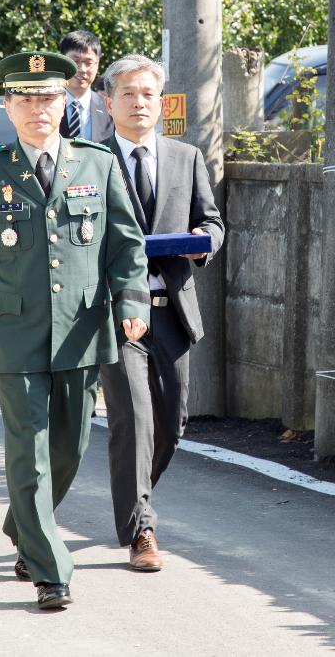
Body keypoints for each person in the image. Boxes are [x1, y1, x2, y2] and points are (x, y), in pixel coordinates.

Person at [0, 50, 149, 609]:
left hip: (82, 327)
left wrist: (133, 302)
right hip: (14, 332)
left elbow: (126, 245)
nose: (39, 110)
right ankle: (50, 568)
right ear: (9, 108)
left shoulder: (97, 163)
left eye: (49, 99)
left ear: (66, 102)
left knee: (69, 447)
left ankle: (23, 526)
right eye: (26, 100)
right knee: (29, 449)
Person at [98, 54, 224, 572]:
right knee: (134, 417)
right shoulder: (89, 158)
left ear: (161, 101)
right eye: (128, 93)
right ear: (109, 102)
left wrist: (202, 243)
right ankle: (141, 529)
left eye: (148, 94)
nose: (139, 102)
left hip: (171, 307)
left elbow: (212, 221)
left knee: (170, 423)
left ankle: (135, 495)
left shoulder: (185, 157)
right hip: (114, 311)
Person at [58, 30, 113, 142]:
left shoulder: (110, 108)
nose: (82, 69)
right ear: (63, 61)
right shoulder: (46, 104)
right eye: (75, 61)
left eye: (88, 63)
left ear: (98, 64)